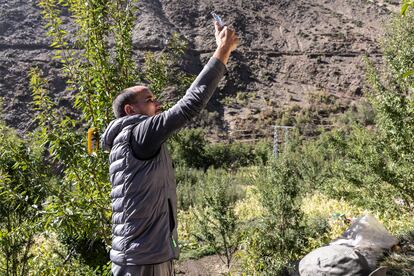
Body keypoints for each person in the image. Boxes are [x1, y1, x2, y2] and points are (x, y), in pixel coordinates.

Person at [101, 21, 238, 276]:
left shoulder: (128, 140)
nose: (158, 105)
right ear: (130, 110)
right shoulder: (139, 133)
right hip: (145, 259)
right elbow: (190, 104)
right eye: (150, 100)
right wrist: (223, 51)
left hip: (141, 255)